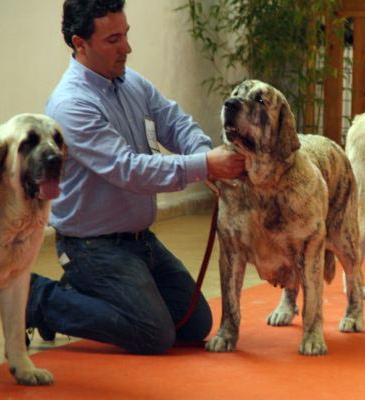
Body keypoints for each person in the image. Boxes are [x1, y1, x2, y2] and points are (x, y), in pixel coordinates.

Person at [25, 0, 245, 354]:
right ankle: (37, 298)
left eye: (126, 34)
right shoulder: (71, 105)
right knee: (154, 335)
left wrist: (203, 152)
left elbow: (173, 122)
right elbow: (129, 169)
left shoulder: (131, 82)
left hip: (140, 241)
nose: (127, 47)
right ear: (80, 43)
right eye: (113, 40)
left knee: (195, 322)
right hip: (91, 247)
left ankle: (85, 293)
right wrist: (205, 164)